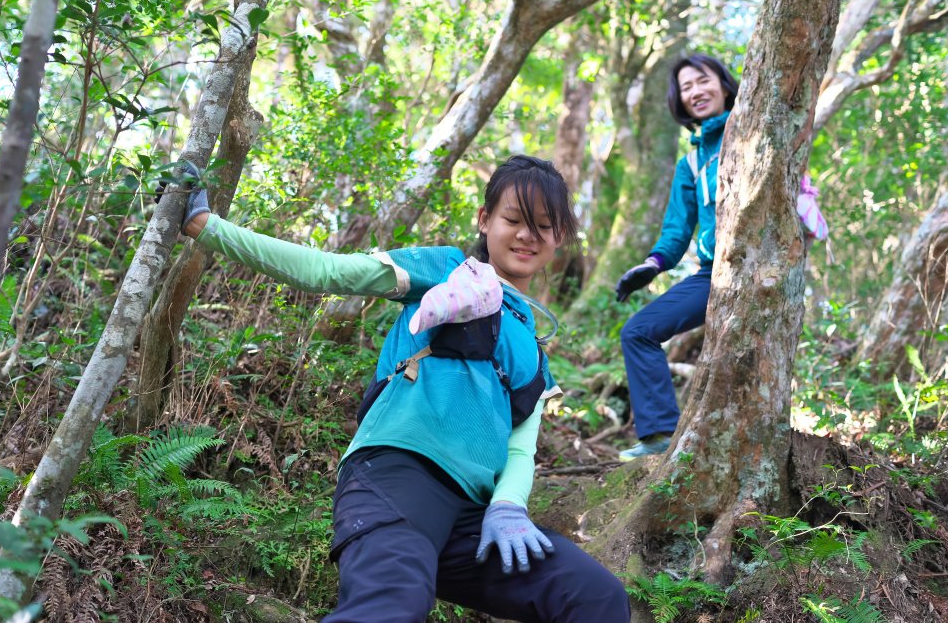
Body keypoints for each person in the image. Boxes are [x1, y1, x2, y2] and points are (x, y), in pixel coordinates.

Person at [177, 155, 631, 622]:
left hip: (475, 520)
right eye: (513, 220)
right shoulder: (447, 269)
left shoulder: (534, 352)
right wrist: (205, 226)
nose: (526, 236)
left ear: (559, 237)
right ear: (484, 219)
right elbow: (325, 271)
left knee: (594, 596)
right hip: (398, 476)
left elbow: (520, 448)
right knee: (392, 605)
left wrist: (509, 507)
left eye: (543, 226)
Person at [615, 54, 739, 462]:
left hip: (759, 265)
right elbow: (676, 229)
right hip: (713, 273)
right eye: (686, 88)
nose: (696, 92)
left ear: (724, 85)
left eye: (703, 81)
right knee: (638, 331)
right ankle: (659, 435)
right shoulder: (691, 163)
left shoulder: (749, 128)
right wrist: (652, 265)